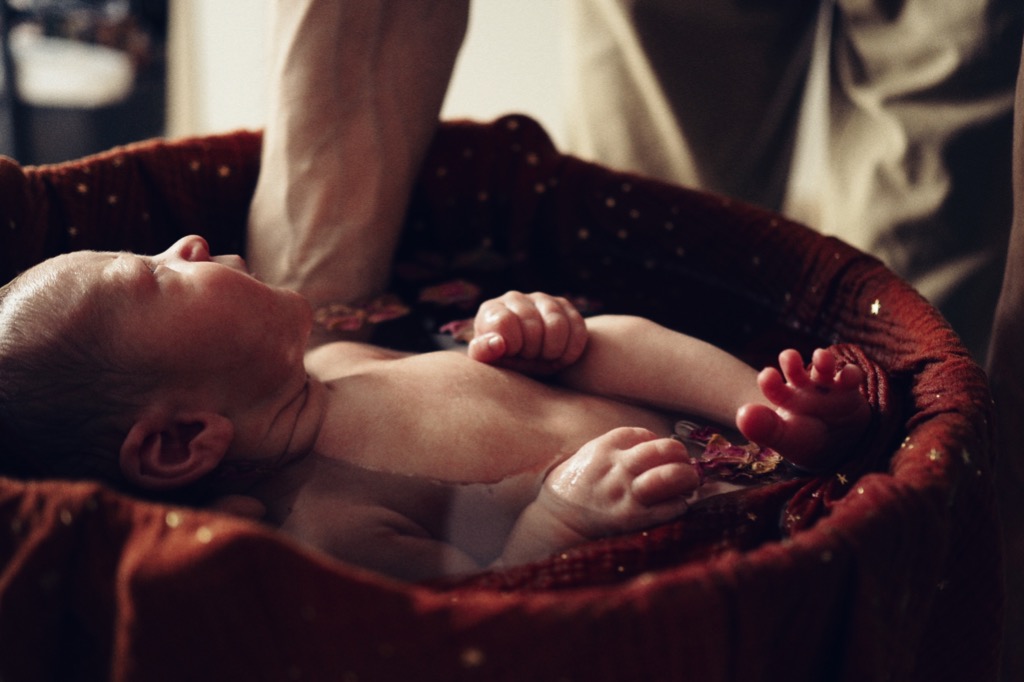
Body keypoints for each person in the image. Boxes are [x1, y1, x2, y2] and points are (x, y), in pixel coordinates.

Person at [0, 235, 872, 581]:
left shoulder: (331, 358)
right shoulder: (324, 525)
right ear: (182, 439)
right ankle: (795, 455)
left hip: (671, 419)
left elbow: (480, 374)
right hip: (664, 495)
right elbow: (470, 604)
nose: (184, 243)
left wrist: (523, 330)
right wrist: (556, 522)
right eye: (153, 273)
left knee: (611, 334)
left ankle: (775, 408)